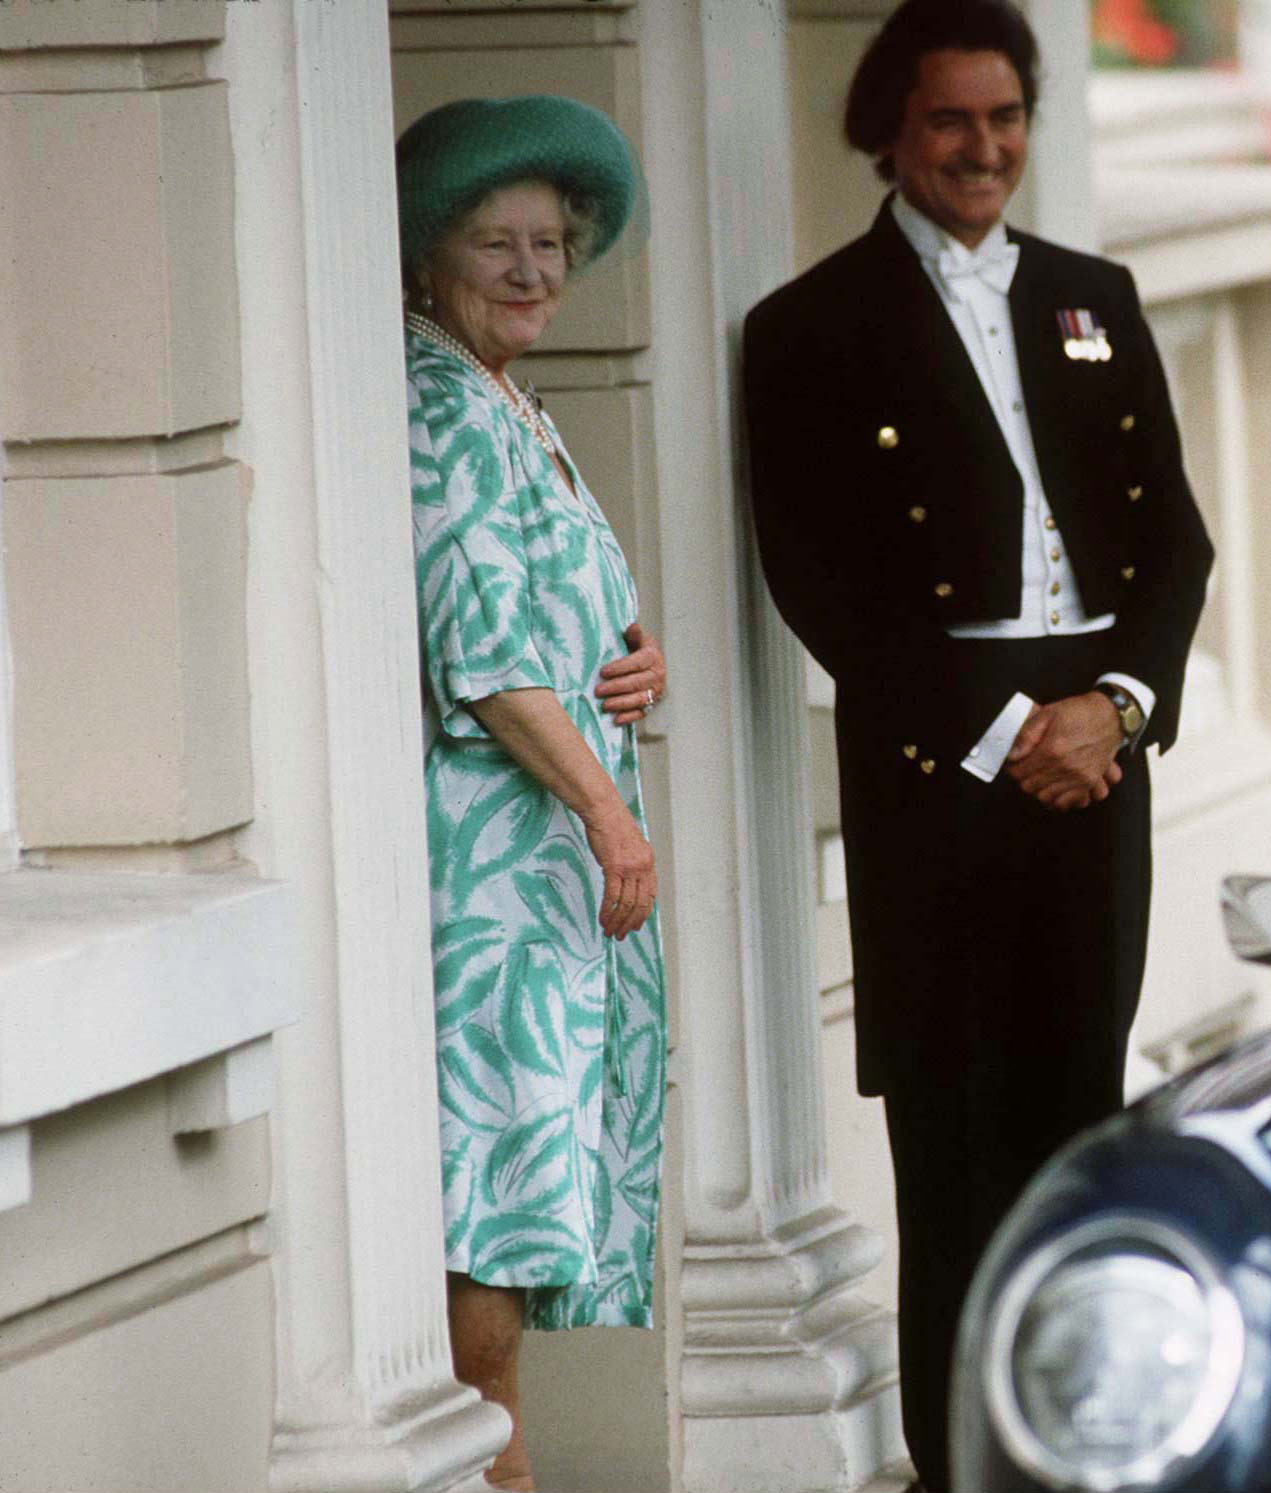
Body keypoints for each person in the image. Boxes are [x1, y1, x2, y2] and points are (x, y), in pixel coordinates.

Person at [740, 5, 1214, 1488]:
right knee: (952, 1154)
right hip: (938, 774)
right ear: (888, 130)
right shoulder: (809, 327)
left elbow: (1175, 545)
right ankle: (960, 1466)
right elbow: (819, 583)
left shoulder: (1093, 295)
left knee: (1081, 1128)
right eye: (951, 119)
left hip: (1097, 759)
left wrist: (1116, 708)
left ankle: (1085, 1451)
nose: (983, 148)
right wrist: (1011, 734)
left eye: (1005, 117)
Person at [398, 95, 668, 1493]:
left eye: (549, 243)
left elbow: (557, 626)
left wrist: (633, 655)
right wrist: (611, 818)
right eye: (493, 242)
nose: (528, 269)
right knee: (489, 1205)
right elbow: (490, 659)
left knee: (525, 1195)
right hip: (494, 874)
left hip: (547, 878)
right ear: (427, 256)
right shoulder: (439, 404)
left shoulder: (510, 401)